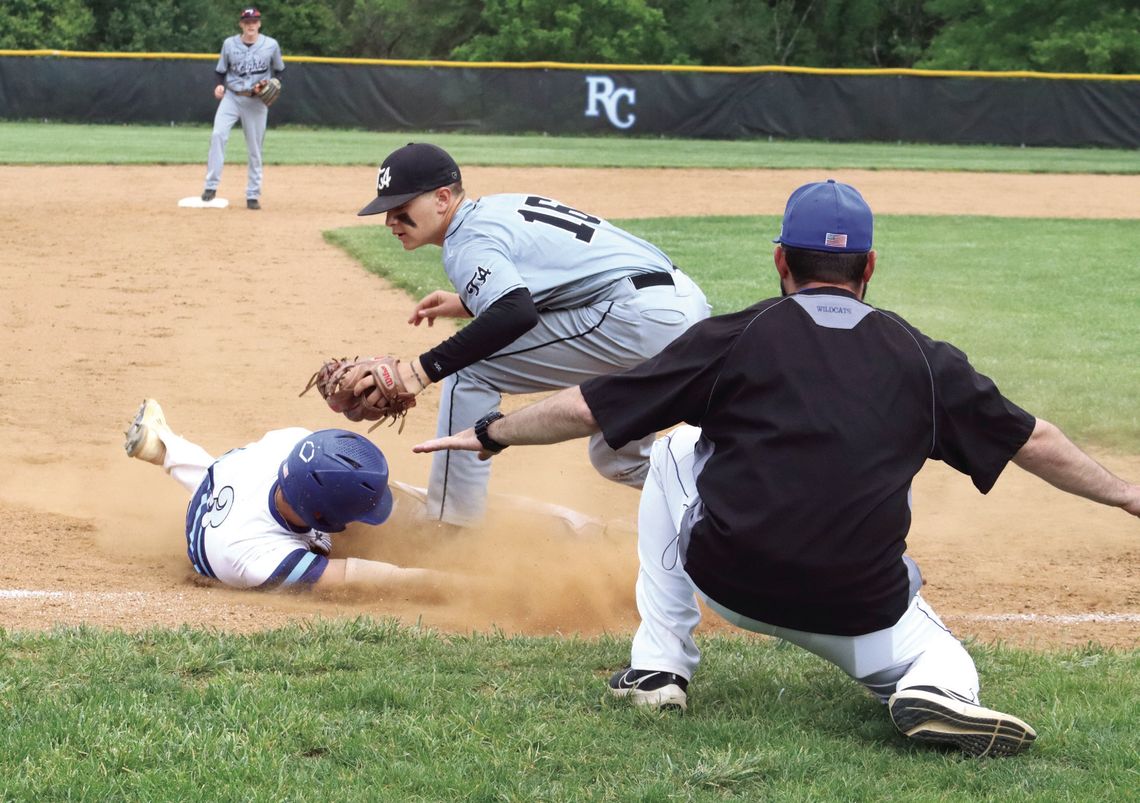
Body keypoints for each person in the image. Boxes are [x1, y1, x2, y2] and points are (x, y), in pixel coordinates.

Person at [413, 179, 1140, 757]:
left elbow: (587, 409)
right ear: (870, 268)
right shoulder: (923, 357)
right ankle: (935, 689)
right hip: (858, 604)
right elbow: (1033, 438)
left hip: (732, 580)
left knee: (670, 446)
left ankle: (660, 667)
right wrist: (1127, 494)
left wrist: (492, 430)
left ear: (781, 262)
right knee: (941, 656)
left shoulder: (735, 336)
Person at [347, 142, 710, 527]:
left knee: (470, 371)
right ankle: (727, 486)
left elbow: (515, 313)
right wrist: (470, 301)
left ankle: (452, 527)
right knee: (617, 458)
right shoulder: (497, 208)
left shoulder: (465, 242)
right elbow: (558, 275)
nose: (390, 220)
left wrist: (419, 371)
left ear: (441, 198)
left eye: (401, 208)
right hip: (676, 307)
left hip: (635, 319)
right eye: (387, 210)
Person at [123, 398, 440, 593]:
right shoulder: (259, 559)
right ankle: (162, 448)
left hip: (231, 478)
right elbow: (356, 578)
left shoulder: (292, 443)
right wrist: (449, 581)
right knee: (346, 535)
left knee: (346, 484)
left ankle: (161, 445)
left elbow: (343, 474)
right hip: (221, 534)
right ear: (318, 520)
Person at [200, 7, 284, 210]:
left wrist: (272, 84)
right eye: (247, 22)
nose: (251, 25)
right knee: (218, 135)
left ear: (259, 24)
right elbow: (220, 72)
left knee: (255, 148)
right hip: (232, 97)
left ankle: (252, 194)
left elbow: (280, 71)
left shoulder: (271, 45)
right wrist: (219, 85)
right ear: (241, 24)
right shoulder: (229, 44)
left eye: (254, 21)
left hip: (256, 102)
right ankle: (211, 187)